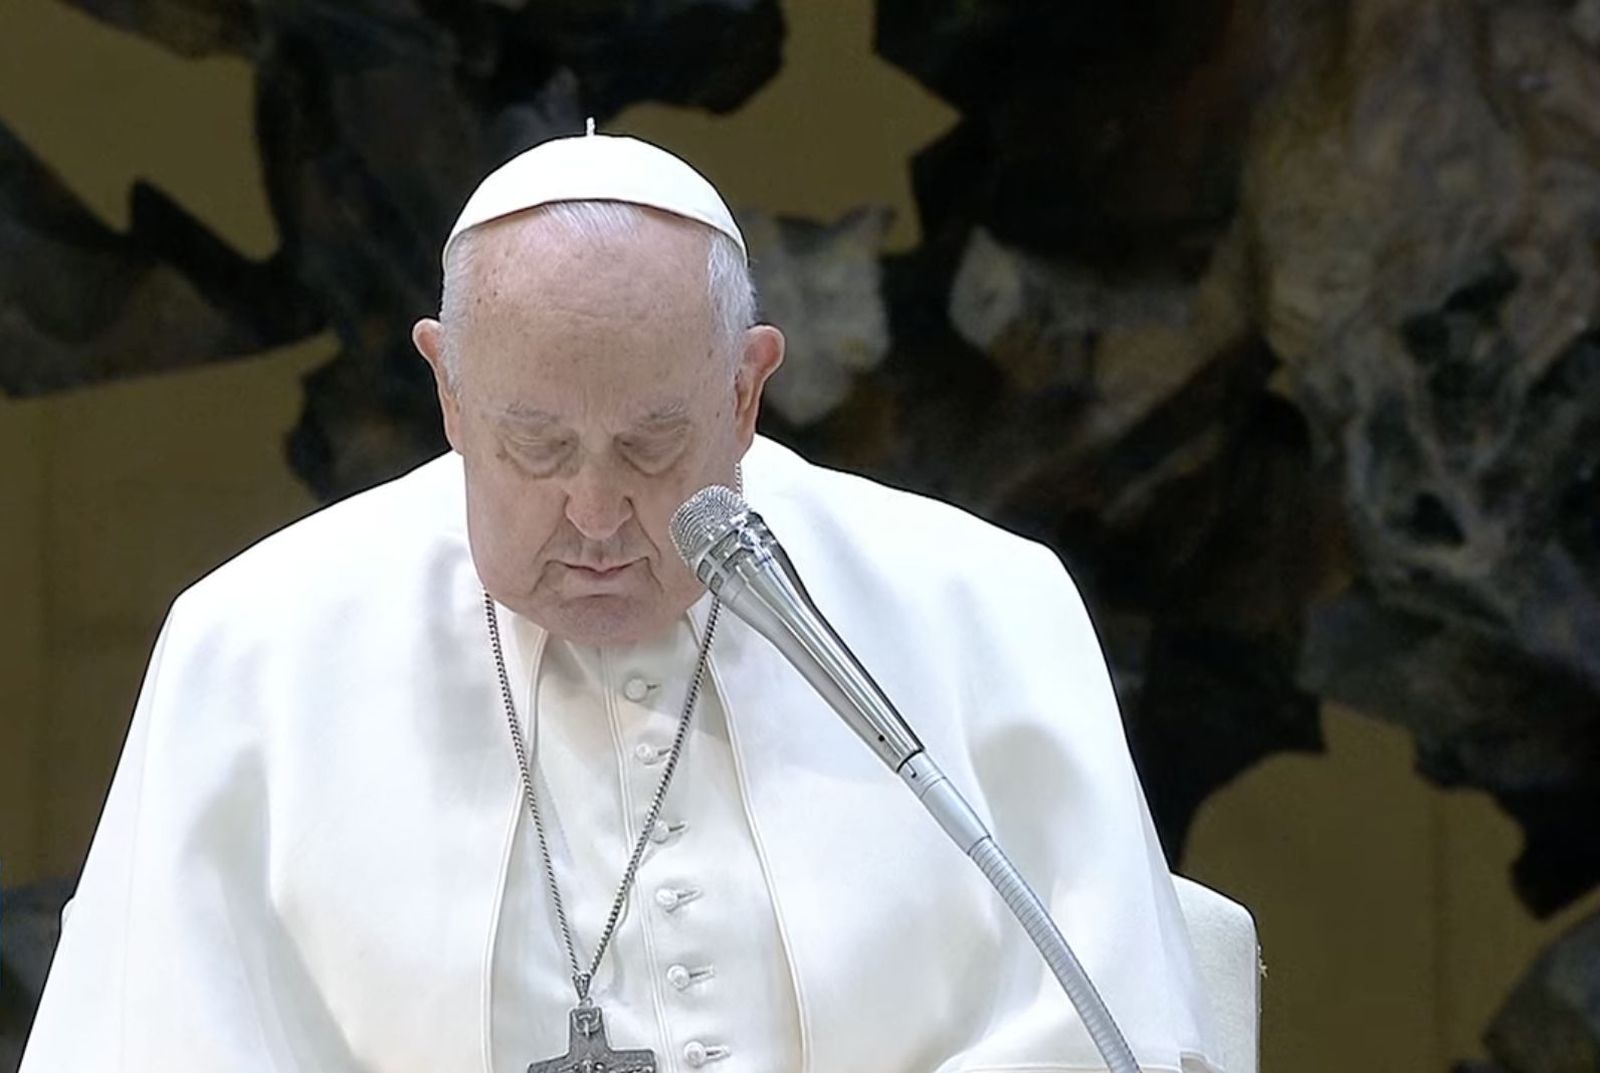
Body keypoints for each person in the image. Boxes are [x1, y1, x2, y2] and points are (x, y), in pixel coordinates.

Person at [21, 130, 1223, 1073]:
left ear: (747, 387)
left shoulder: (979, 607)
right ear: (445, 385)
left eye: (654, 443)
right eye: (534, 445)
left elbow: (1104, 1029)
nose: (595, 512)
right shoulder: (255, 642)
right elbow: (158, 1034)